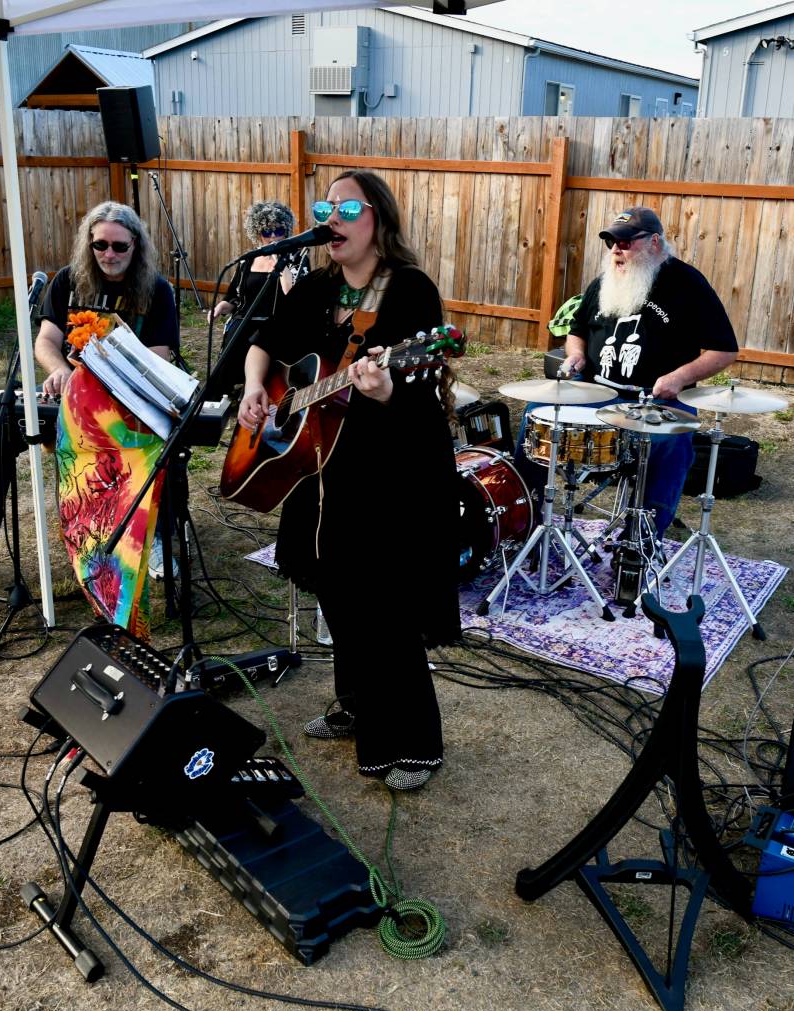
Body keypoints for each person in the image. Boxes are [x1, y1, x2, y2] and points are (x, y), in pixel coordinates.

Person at [238, 171, 460, 792]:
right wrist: (258, 387)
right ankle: (357, 705)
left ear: (378, 221)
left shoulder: (409, 290)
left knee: (383, 605)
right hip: (319, 464)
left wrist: (385, 386)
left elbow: (417, 393)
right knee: (337, 593)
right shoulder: (315, 286)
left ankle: (414, 743)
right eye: (324, 207)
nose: (331, 217)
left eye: (347, 207)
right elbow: (266, 341)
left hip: (392, 466)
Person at [0, 201, 179, 578]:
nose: (109, 254)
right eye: (100, 245)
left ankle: (154, 543)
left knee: (167, 441)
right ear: (89, 244)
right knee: (0, 428)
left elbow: (158, 358)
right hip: (68, 400)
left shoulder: (157, 290)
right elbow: (45, 341)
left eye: (119, 246)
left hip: (125, 405)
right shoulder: (68, 281)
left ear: (136, 246)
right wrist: (59, 369)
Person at [515, 206, 738, 539]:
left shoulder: (687, 284)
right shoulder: (603, 282)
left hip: (656, 403)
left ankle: (641, 540)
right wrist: (575, 356)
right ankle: (522, 516)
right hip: (594, 394)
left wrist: (678, 377)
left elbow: (725, 350)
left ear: (655, 243)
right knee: (537, 416)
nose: (616, 249)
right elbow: (576, 330)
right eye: (611, 242)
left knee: (672, 444)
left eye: (625, 242)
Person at [208, 200, 307, 397]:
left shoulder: (297, 257)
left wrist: (281, 264)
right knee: (235, 339)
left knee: (258, 338)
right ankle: (217, 396)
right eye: (266, 232)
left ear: (286, 230)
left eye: (278, 230)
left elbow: (294, 297)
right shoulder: (248, 260)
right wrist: (221, 306)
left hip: (274, 323)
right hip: (244, 320)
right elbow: (234, 296)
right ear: (257, 233)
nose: (273, 237)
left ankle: (256, 388)